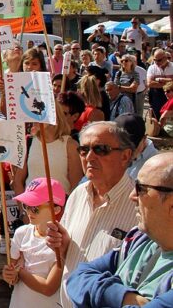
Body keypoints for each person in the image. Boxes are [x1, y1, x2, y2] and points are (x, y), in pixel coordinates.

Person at [45, 121, 139, 308]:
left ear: (125, 156)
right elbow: (68, 255)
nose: (89, 157)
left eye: (101, 149)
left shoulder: (140, 204)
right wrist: (63, 246)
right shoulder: (77, 195)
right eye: (83, 149)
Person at [66, 152, 173, 307]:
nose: (132, 195)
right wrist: (125, 297)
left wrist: (97, 296)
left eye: (141, 188)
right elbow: (78, 277)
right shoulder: (138, 240)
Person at [2, 178, 65, 308]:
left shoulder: (61, 242)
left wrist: (20, 271)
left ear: (56, 209)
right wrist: (9, 274)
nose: (29, 212)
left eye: (35, 208)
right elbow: (12, 277)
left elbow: (48, 288)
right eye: (26, 206)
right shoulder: (21, 233)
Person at [147, 48, 173, 118]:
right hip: (157, 96)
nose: (156, 62)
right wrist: (169, 82)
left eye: (159, 60)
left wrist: (160, 79)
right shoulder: (152, 68)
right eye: (155, 60)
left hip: (171, 97)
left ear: (165, 58)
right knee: (156, 116)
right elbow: (149, 83)